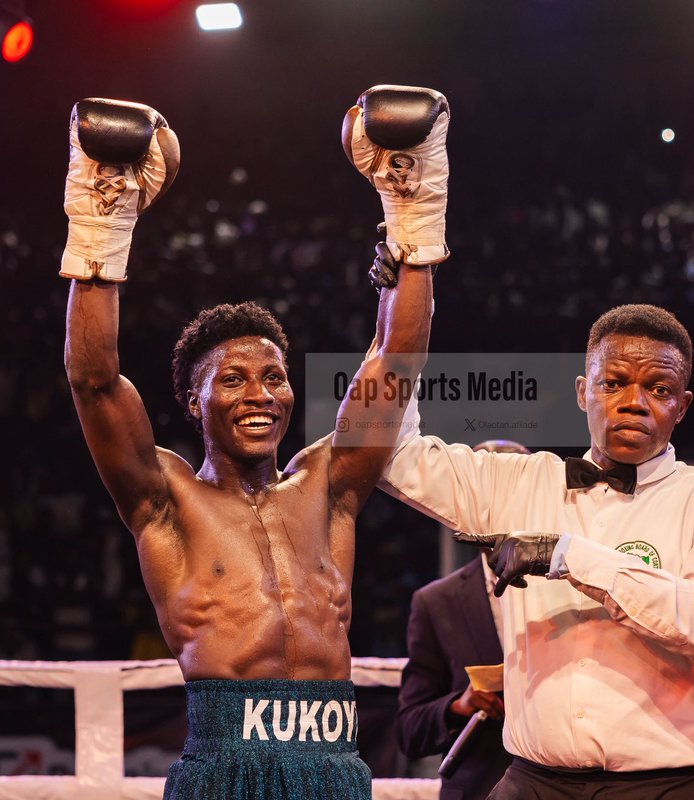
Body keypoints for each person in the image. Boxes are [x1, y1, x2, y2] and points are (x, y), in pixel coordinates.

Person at [61, 89, 445, 800]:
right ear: (192, 400)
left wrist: (413, 224)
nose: (260, 393)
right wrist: (101, 230)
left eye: (272, 376)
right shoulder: (165, 497)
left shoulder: (329, 484)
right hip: (225, 760)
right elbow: (93, 380)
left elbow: (396, 362)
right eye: (232, 380)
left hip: (331, 761)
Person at [377, 303, 694, 799]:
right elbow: (387, 452)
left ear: (682, 407)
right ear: (584, 393)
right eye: (614, 382)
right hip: (531, 780)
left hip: (665, 786)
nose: (634, 402)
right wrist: (398, 316)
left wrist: (568, 555)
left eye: (658, 390)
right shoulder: (516, 483)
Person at [394, 440, 529, 800]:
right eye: (486, 492)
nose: (500, 507)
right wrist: (459, 704)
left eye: (513, 491)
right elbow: (409, 730)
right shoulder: (437, 602)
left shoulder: (577, 583)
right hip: (479, 787)